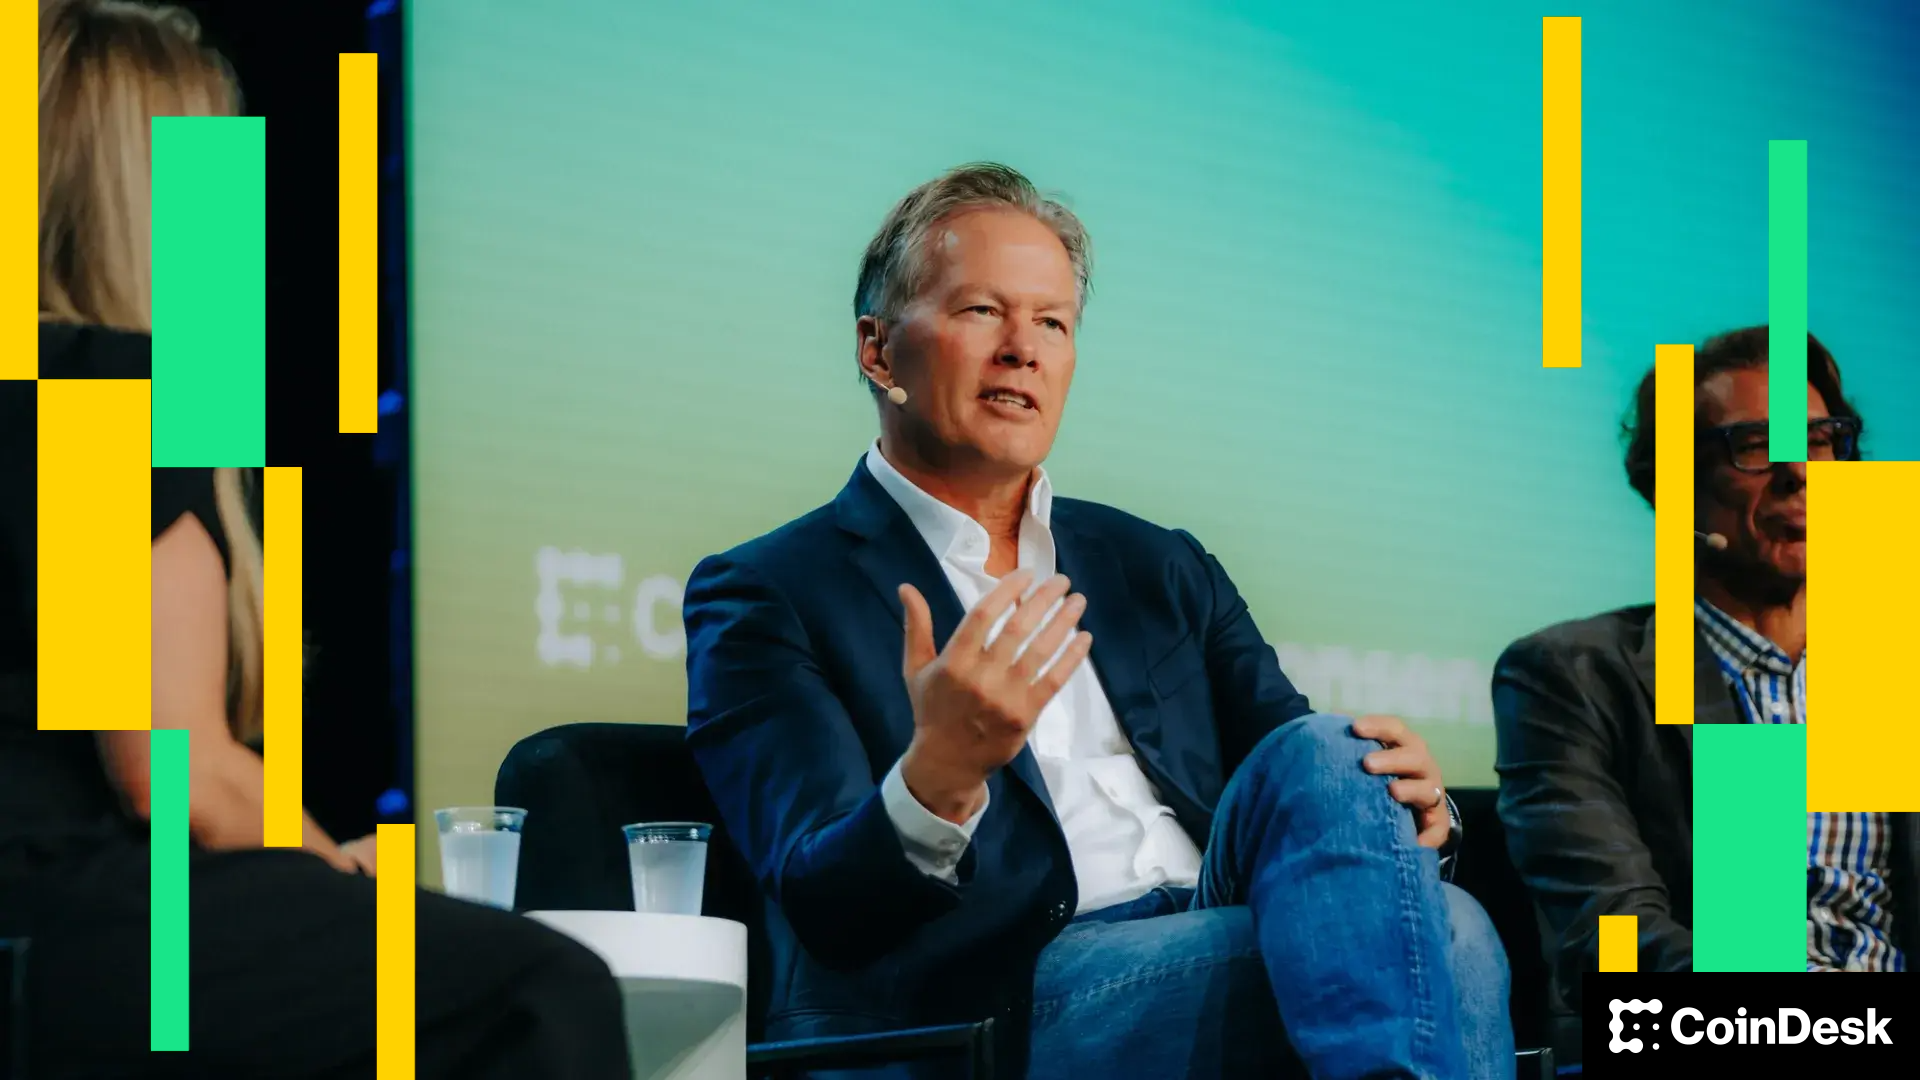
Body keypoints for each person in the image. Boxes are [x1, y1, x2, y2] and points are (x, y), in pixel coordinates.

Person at [683, 162, 1513, 1080]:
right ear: (878, 351)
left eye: (1053, 322)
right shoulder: (767, 591)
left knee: (1333, 760)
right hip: (997, 1003)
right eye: (981, 311)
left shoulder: (1158, 563)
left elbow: (1302, 785)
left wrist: (1414, 803)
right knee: (1454, 938)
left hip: (1211, 911)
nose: (1023, 349)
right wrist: (937, 777)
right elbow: (824, 905)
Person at [0, 4, 632, 1077]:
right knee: (539, 985)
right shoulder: (108, 386)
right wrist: (334, 870)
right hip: (65, 925)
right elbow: (177, 772)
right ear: (148, 188)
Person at [1491, 327, 1916, 1057]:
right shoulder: (1577, 674)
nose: (1798, 471)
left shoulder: (1886, 673)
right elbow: (1614, 940)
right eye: (1756, 444)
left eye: (1820, 441)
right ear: (1677, 488)